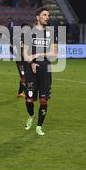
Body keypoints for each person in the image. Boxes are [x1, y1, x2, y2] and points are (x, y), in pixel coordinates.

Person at [22, 7, 58, 136]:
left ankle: (39, 126)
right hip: (31, 71)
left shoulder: (51, 33)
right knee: (29, 100)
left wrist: (38, 53)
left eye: (48, 15)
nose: (47, 17)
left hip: (45, 71)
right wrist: (31, 63)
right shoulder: (29, 33)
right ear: (38, 17)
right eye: (44, 15)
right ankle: (31, 116)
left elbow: (54, 53)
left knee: (44, 100)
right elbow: (25, 53)